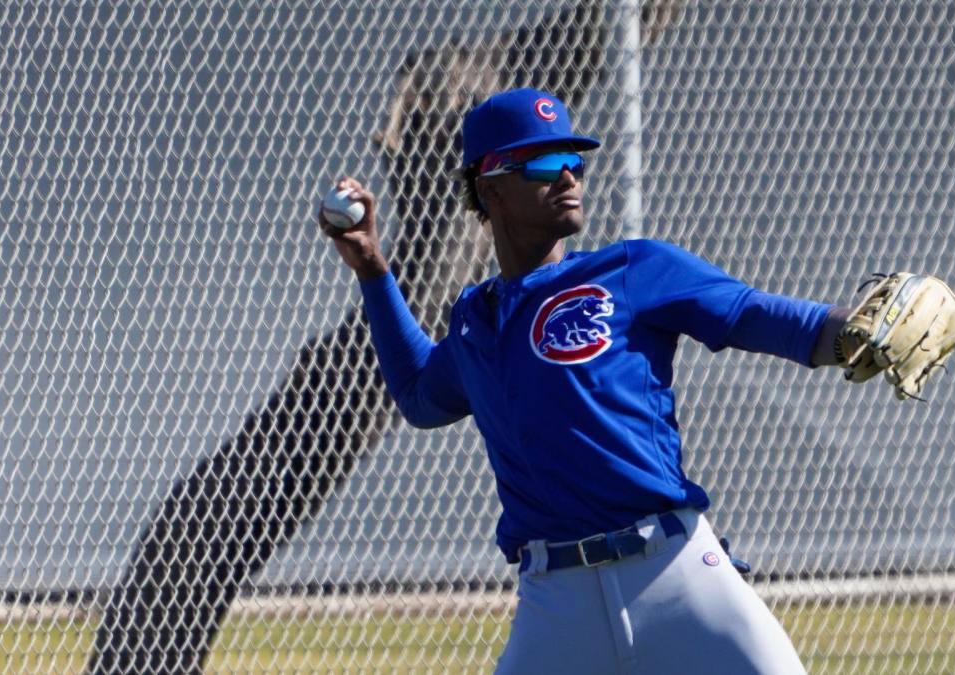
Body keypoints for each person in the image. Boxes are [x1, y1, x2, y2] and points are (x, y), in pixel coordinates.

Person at [87, 4, 683, 673]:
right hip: (389, 337)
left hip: (413, 337)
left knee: (280, 479)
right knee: (259, 484)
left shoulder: (522, 125)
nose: (567, 176)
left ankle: (146, 654)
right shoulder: (470, 113)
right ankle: (140, 656)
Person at [320, 87, 848, 674]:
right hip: (556, 605)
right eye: (546, 163)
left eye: (575, 161)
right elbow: (421, 396)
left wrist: (847, 333)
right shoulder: (476, 321)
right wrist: (371, 267)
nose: (569, 176)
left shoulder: (631, 270)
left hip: (675, 574)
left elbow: (752, 314)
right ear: (490, 186)